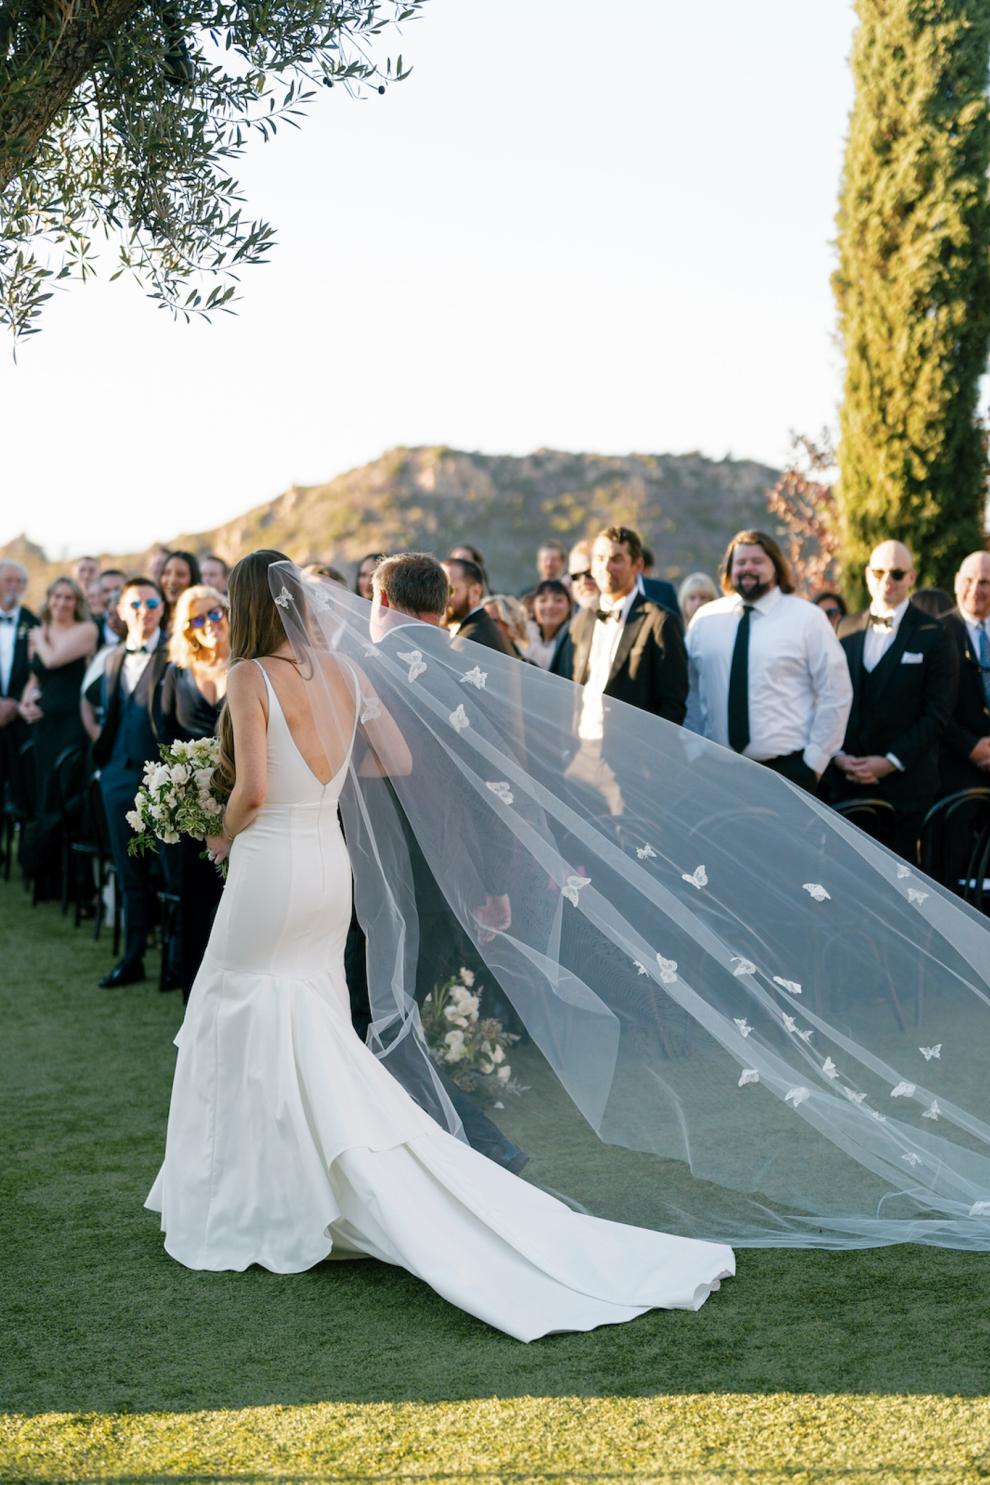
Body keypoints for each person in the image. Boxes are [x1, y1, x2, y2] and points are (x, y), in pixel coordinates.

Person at [145, 549, 734, 1336]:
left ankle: (256, 1196)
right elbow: (398, 757)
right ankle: (315, 1184)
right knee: (310, 1017)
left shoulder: (251, 676)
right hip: (328, 864)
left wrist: (219, 836)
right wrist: (324, 777)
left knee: (234, 1003)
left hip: (271, 862)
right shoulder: (346, 674)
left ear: (248, 605)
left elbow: (250, 789)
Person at [685, 531, 852, 793]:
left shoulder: (807, 618)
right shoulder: (705, 620)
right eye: (740, 562)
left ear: (776, 566)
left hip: (788, 773)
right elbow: (689, 689)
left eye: (757, 561)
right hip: (715, 772)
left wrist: (814, 763)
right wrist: (692, 748)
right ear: (729, 570)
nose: (748, 568)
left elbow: (836, 691)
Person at [824, 540, 958, 859]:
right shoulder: (846, 626)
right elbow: (830, 696)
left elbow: (937, 713)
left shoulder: (935, 633)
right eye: (880, 572)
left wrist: (890, 762)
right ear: (868, 575)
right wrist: (838, 755)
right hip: (847, 783)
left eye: (897, 573)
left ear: (912, 577)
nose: (888, 580)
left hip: (906, 791)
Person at [92, 577, 171, 988]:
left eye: (151, 601)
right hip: (118, 777)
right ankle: (134, 956)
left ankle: (176, 958)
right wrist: (103, 764)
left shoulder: (175, 654)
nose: (144, 609)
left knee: (171, 871)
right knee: (129, 872)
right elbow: (102, 712)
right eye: (135, 603)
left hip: (165, 777)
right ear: (121, 611)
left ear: (161, 608)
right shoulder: (110, 658)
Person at [160, 585, 230, 999]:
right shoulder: (176, 674)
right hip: (192, 813)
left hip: (242, 805)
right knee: (195, 904)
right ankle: (193, 993)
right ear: (187, 630)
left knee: (234, 906)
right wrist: (192, 807)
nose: (208, 625)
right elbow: (165, 738)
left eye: (214, 614)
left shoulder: (247, 666)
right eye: (197, 620)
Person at [570, 525, 689, 742]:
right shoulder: (582, 619)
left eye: (616, 559)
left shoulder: (660, 622)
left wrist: (646, 758)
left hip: (635, 756)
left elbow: (673, 704)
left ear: (637, 566)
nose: (606, 566)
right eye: (600, 558)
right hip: (579, 750)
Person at [17, 578, 99, 892]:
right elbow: (35, 675)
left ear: (76, 602)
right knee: (43, 792)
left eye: (68, 597)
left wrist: (39, 635)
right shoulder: (39, 633)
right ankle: (43, 874)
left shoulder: (85, 630)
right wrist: (26, 702)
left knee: (64, 793)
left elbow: (52, 660)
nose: (62, 603)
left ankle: (69, 880)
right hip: (43, 725)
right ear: (49, 599)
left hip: (70, 724)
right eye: (56, 596)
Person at [939, 551, 990, 795]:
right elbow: (931, 706)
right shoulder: (935, 632)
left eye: (984, 582)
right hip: (954, 774)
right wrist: (971, 747)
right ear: (957, 581)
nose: (975, 589)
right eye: (969, 580)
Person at [442, 558, 516, 656]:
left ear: (475, 592)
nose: (443, 598)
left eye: (450, 590)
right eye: (440, 589)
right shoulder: (482, 627)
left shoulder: (471, 640)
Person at [526, 578, 572, 672]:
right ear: (533, 606)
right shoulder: (522, 637)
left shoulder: (574, 640)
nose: (550, 605)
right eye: (543, 600)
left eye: (558, 600)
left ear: (569, 606)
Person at [160, 551, 202, 632]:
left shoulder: (202, 620)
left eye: (180, 574)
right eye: (167, 573)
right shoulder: (153, 618)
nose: (172, 580)